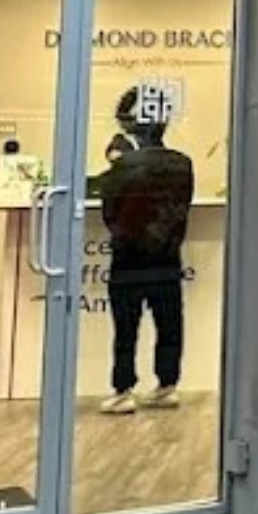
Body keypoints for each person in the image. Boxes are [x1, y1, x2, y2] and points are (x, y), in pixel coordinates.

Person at [94, 88, 195, 416]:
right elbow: (182, 208)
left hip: (129, 259)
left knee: (126, 328)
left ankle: (123, 390)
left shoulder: (124, 164)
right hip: (167, 258)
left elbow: (109, 211)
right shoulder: (183, 163)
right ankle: (167, 386)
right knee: (169, 324)